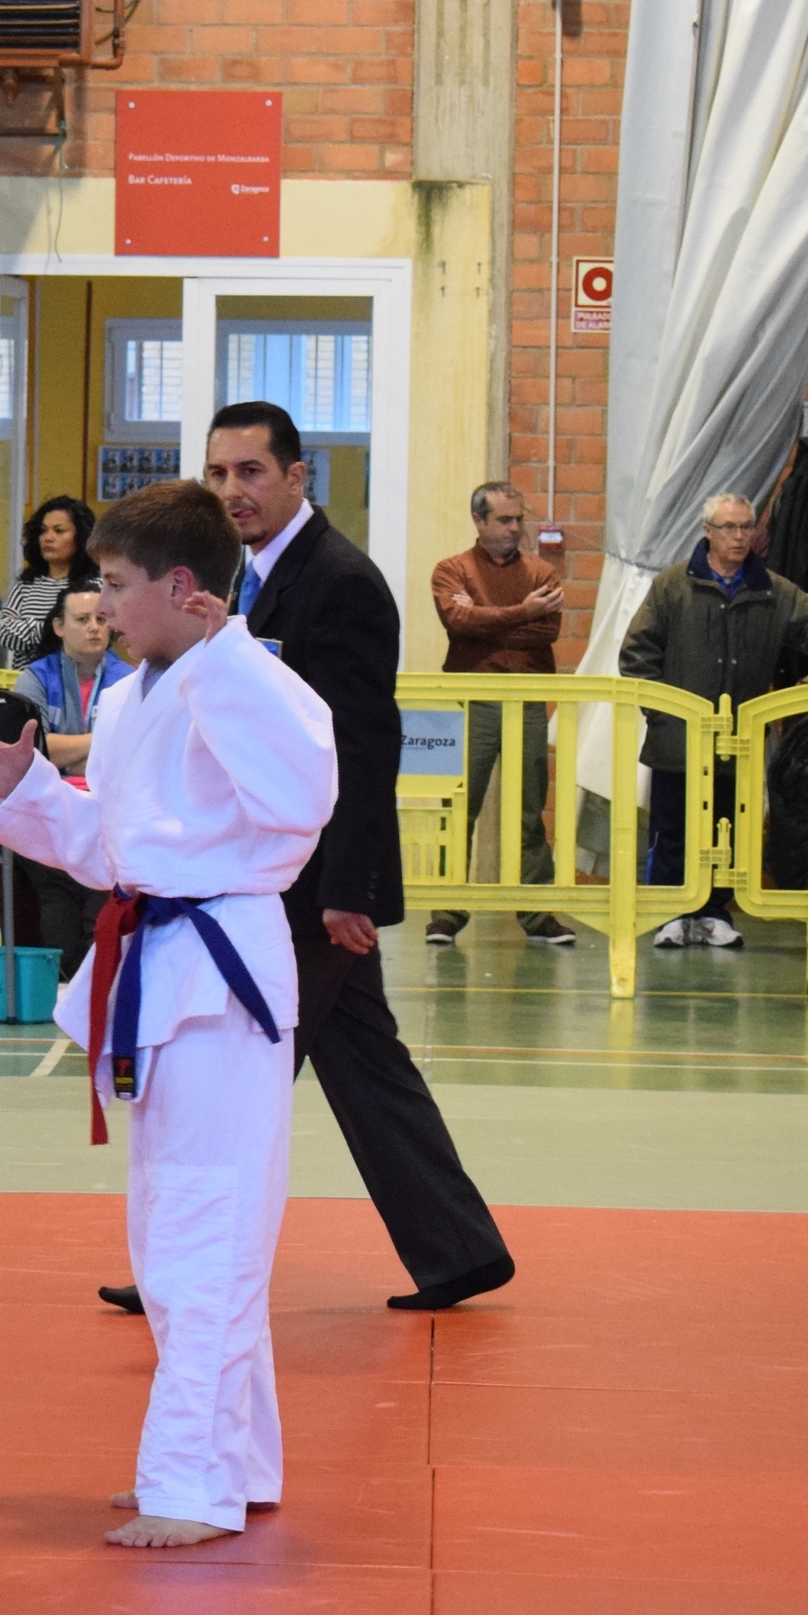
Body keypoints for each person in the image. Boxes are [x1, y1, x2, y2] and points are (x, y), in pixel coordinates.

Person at [0, 479, 335, 1548]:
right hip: (155, 970)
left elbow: (301, 806)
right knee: (170, 1234)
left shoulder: (253, 680)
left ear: (185, 588)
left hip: (221, 977)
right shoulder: (130, 697)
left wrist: (216, 660)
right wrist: (23, 788)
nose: (99, 606)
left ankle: (191, 1484)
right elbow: (114, 848)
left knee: (208, 1231)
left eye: (114, 585)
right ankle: (234, 1463)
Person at [179, 400, 522, 1311]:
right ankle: (458, 1249)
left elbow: (364, 745)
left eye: (251, 472)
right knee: (364, 1064)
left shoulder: (340, 581)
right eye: (218, 473)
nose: (232, 490)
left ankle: (189, 1263)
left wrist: (351, 889)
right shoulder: (245, 576)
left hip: (316, 887)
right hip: (273, 871)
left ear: (298, 477)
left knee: (244, 1074)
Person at [622, 488, 808, 950]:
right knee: (672, 829)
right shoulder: (672, 585)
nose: (739, 537)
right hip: (677, 741)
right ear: (708, 531)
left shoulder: (773, 590)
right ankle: (669, 914)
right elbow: (637, 653)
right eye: (728, 527)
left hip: (738, 739)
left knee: (728, 830)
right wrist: (662, 714)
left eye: (746, 527)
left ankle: (714, 913)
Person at [426, 479, 572, 947]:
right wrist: (522, 612)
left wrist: (486, 623)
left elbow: (547, 632)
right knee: (458, 807)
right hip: (471, 701)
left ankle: (538, 913)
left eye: (519, 519)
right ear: (479, 520)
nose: (514, 528)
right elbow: (457, 622)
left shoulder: (541, 572)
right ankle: (446, 913)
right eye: (504, 520)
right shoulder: (452, 570)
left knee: (530, 809)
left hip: (526, 700)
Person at [4, 581, 129, 970]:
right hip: (50, 813)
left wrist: (67, 751)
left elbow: (131, 752)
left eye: (101, 620)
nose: (94, 628)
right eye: (82, 619)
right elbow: (33, 749)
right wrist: (99, 742)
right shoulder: (35, 678)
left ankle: (90, 981)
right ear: (58, 626)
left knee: (99, 905)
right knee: (58, 903)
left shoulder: (131, 678)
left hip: (108, 816)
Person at [0, 494, 98, 667]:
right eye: (43, 531)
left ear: (81, 536)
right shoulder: (25, 584)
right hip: (25, 679)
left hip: (75, 677)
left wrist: (25, 626)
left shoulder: (94, 585)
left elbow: (87, 636)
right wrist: (56, 628)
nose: (48, 538)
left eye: (59, 531)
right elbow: (3, 633)